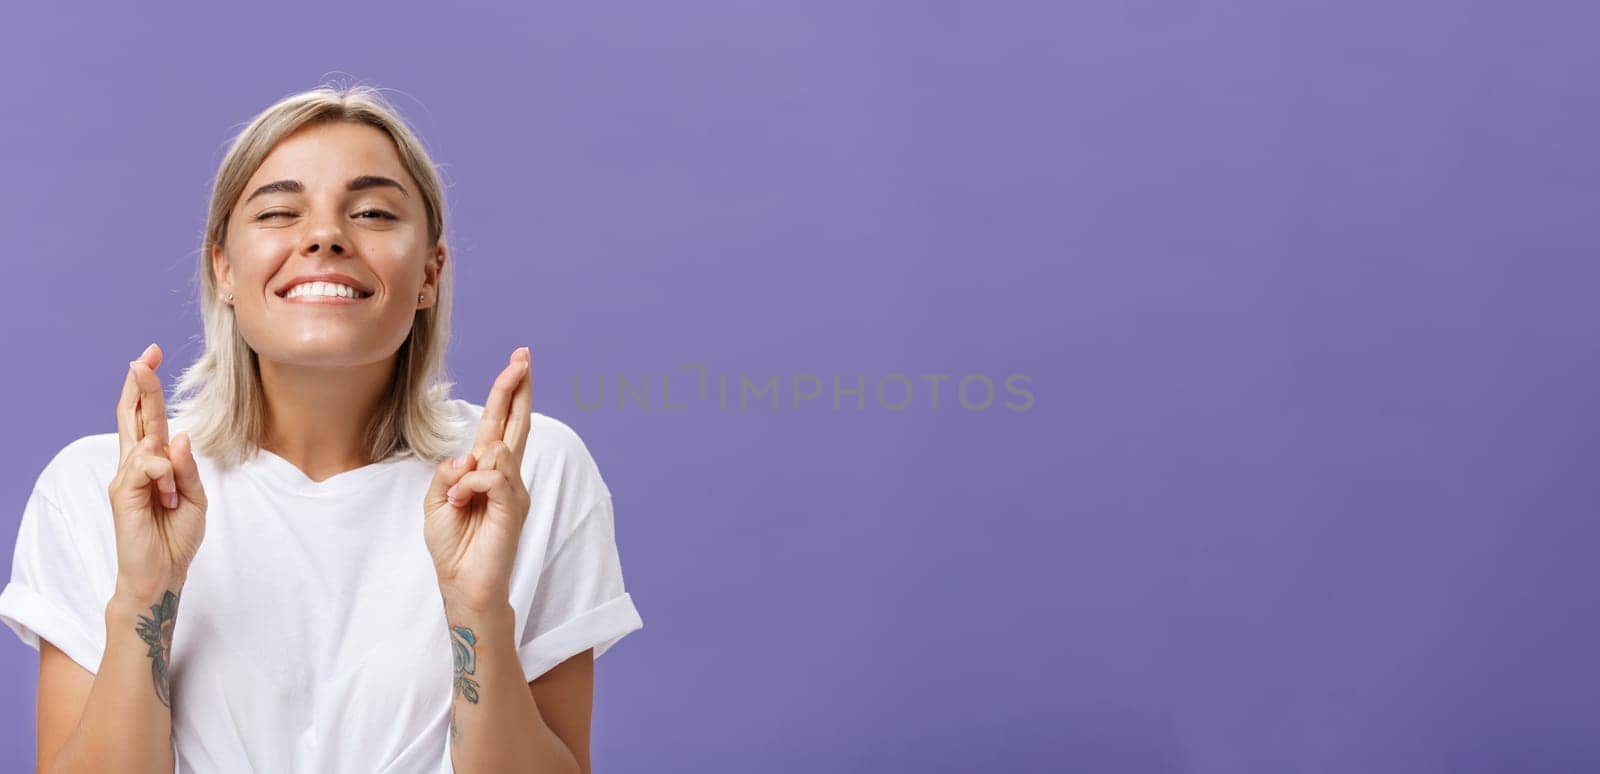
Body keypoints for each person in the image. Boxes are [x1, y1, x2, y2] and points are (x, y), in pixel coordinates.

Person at [0, 83, 643, 773]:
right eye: (279, 211)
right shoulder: (101, 487)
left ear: (430, 272)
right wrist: (144, 596)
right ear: (224, 270)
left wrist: (478, 609)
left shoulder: (524, 473)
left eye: (371, 212)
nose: (325, 236)